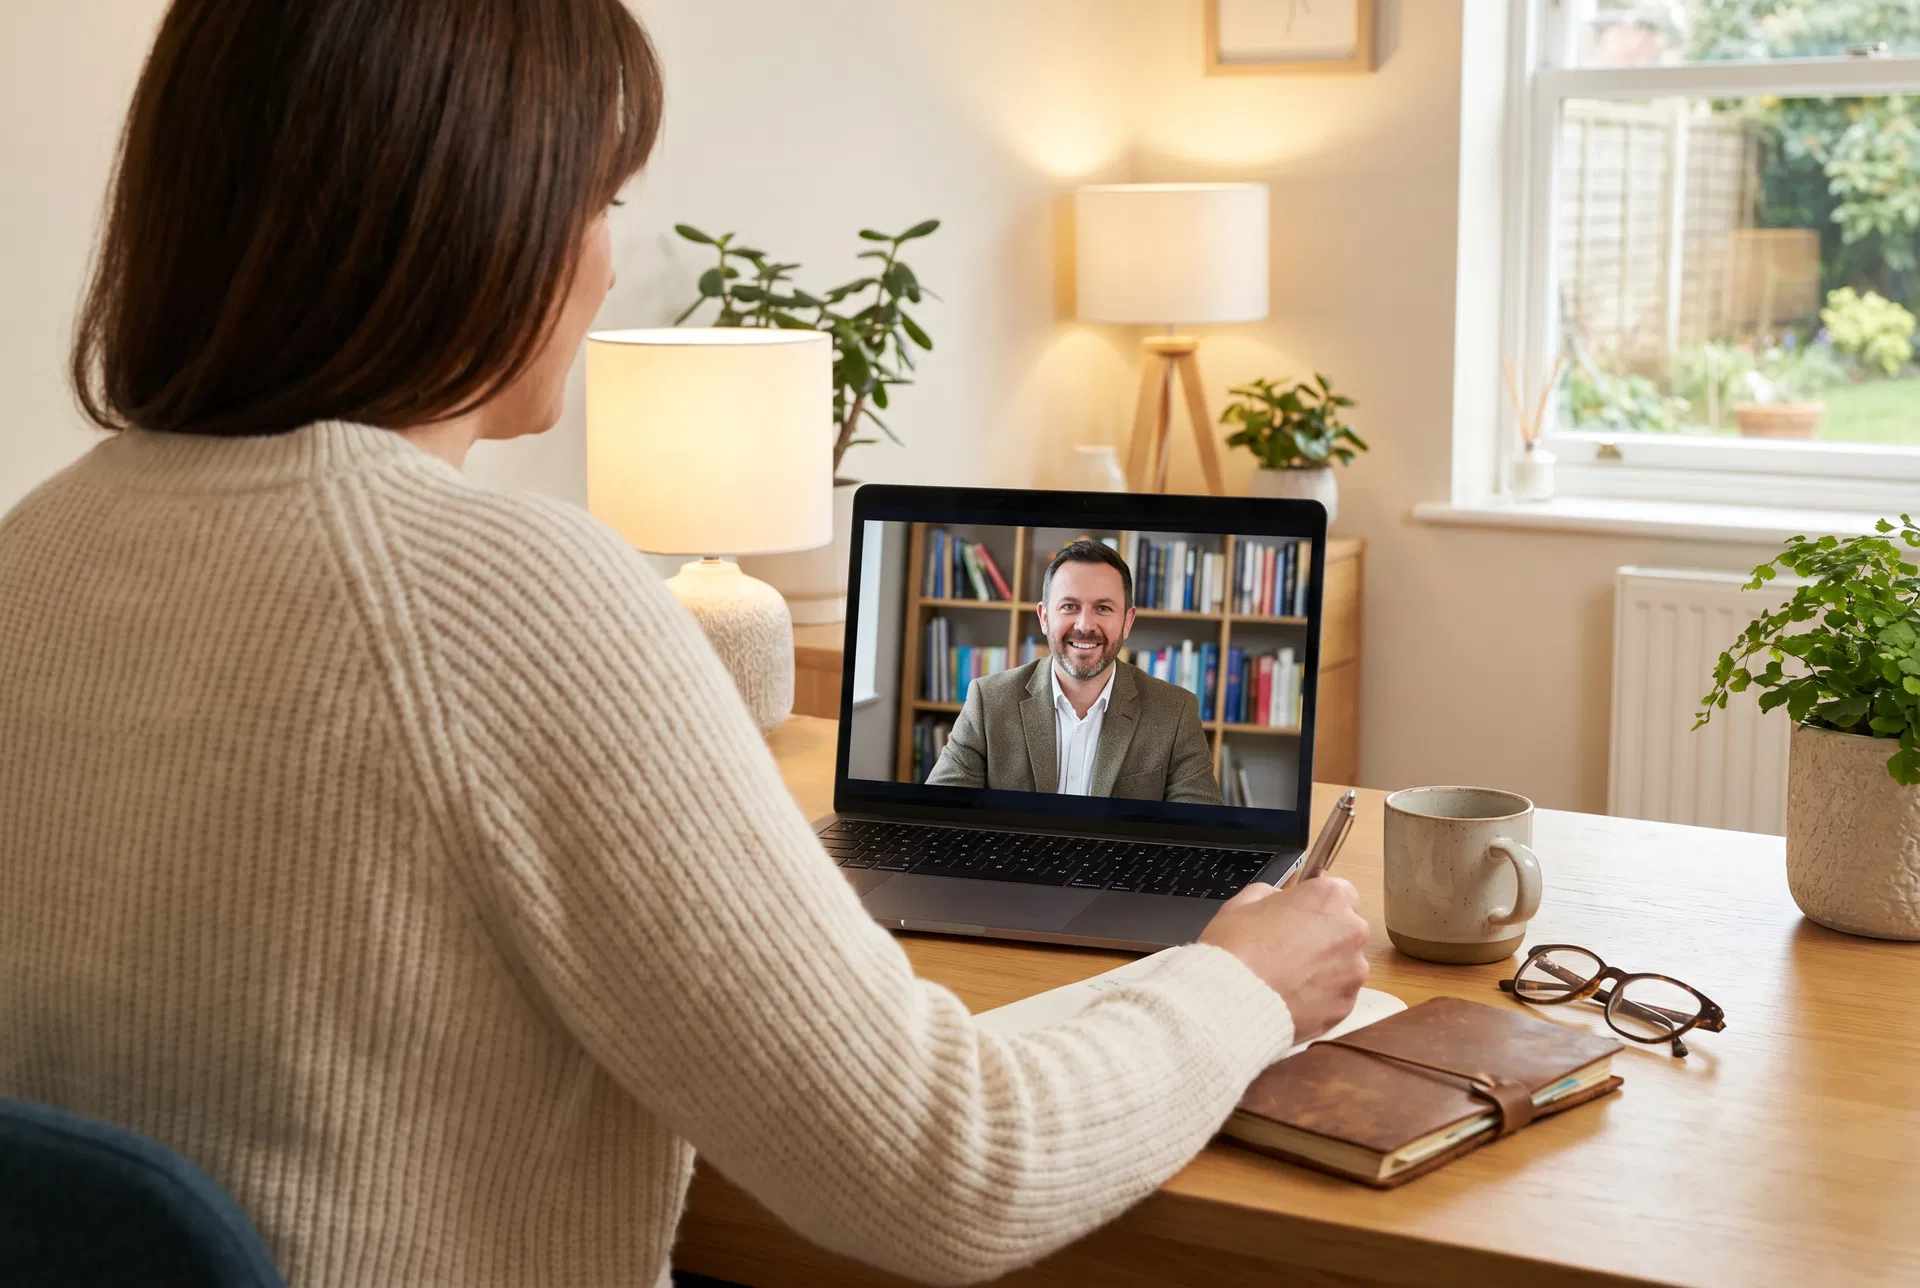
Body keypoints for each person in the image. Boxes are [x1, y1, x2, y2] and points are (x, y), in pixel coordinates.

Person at [0, 2, 1370, 1285]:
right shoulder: (507, 597)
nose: (603, 259)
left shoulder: (32, 553)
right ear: (475, 219)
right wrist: (1243, 987)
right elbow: (951, 1167)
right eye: (598, 201)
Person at [928, 539, 1223, 804]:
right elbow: (937, 819)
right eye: (1069, 606)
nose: (1084, 625)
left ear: (1127, 621)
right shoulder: (988, 701)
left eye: (1103, 608)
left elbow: (1200, 838)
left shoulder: (1175, 711)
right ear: (1044, 618)